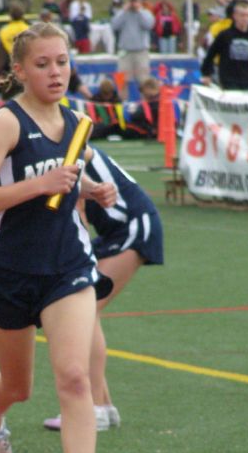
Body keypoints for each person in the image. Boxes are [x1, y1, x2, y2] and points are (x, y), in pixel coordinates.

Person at [0, 21, 116, 453]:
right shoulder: (6, 123)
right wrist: (40, 183)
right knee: (18, 386)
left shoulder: (78, 123)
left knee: (73, 378)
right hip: (9, 272)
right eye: (43, 64)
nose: (55, 72)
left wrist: (88, 188)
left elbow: (73, 165)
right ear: (21, 71)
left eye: (62, 62)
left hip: (66, 265)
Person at [43, 145, 164, 432]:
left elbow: (78, 210)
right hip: (120, 229)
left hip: (134, 226)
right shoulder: (64, 149)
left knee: (87, 306)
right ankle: (104, 407)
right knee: (85, 304)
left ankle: (93, 408)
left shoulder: (72, 149)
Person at [201, 1, 248, 91]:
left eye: (247, 16)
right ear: (235, 16)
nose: (245, 19)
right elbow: (210, 55)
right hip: (228, 80)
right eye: (242, 15)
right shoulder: (225, 35)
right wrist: (207, 74)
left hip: (247, 80)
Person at [111, 0, 154, 98]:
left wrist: (139, 11)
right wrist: (123, 11)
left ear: (140, 2)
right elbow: (114, 26)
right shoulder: (123, 13)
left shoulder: (145, 13)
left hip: (141, 52)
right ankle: (122, 105)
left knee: (144, 81)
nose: (133, 3)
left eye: (135, 1)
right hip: (125, 52)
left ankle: (145, 106)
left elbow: (149, 25)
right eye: (131, 1)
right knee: (121, 82)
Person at [0, 3, 29, 75]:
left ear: (10, 16)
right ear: (22, 15)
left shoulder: (4, 31)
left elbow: (1, 54)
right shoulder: (28, 29)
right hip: (26, 66)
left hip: (9, 67)